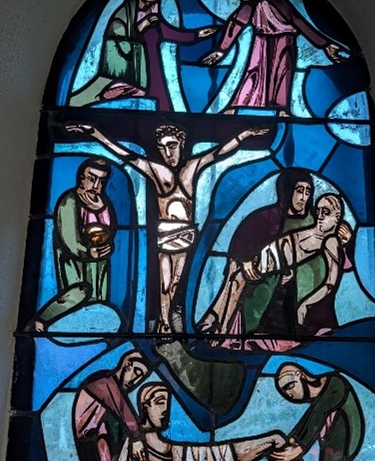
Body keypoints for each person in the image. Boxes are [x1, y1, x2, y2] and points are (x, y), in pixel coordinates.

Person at [66, 122, 269, 333]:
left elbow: (218, 153)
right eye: (162, 148)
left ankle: (170, 322)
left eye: (171, 146)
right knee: (164, 282)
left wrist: (244, 135)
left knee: (176, 283)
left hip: (186, 235)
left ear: (182, 143)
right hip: (165, 234)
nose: (167, 153)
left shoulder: (192, 168)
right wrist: (96, 133)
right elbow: (126, 155)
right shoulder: (157, 171)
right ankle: (163, 324)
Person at [200, 193, 347, 344]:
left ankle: (222, 330)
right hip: (266, 257)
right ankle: (213, 321)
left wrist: (305, 304)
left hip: (273, 265)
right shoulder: (309, 226)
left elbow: (330, 283)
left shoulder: (331, 241)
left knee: (238, 278)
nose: (320, 216)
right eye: (318, 211)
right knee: (235, 269)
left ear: (337, 217)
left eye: (326, 212)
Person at [202, 0, 344, 115]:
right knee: (252, 73)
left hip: (284, 41)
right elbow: (235, 25)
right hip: (260, 42)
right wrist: (221, 50)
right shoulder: (247, 6)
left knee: (282, 74)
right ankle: (234, 107)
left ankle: (282, 110)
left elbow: (296, 20)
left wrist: (324, 44)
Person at [117, 383, 313, 461]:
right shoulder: (135, 441)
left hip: (208, 456)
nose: (165, 409)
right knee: (275, 439)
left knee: (276, 439)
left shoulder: (140, 440)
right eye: (160, 401)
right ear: (145, 405)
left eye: (168, 403)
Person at [197, 168, 315, 344]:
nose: (304, 197)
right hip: (257, 276)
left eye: (308, 192)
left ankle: (218, 323)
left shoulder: (311, 222)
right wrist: (245, 262)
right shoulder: (265, 217)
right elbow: (240, 245)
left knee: (240, 277)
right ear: (287, 190)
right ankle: (220, 324)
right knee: (237, 274)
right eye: (299, 191)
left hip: (286, 291)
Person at [71, 0, 216, 110]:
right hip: (131, 72)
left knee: (159, 102)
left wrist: (198, 34)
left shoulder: (154, 18)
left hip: (153, 68)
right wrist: (141, 26)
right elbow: (117, 42)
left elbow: (173, 34)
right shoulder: (122, 16)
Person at [33, 158, 116, 332]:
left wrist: (107, 246)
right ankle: (42, 322)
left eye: (102, 181)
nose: (96, 185)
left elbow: (110, 230)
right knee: (77, 293)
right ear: (81, 178)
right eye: (92, 178)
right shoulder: (69, 201)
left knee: (97, 300)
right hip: (74, 261)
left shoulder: (104, 202)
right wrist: (87, 252)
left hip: (99, 263)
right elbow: (70, 238)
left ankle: (92, 328)